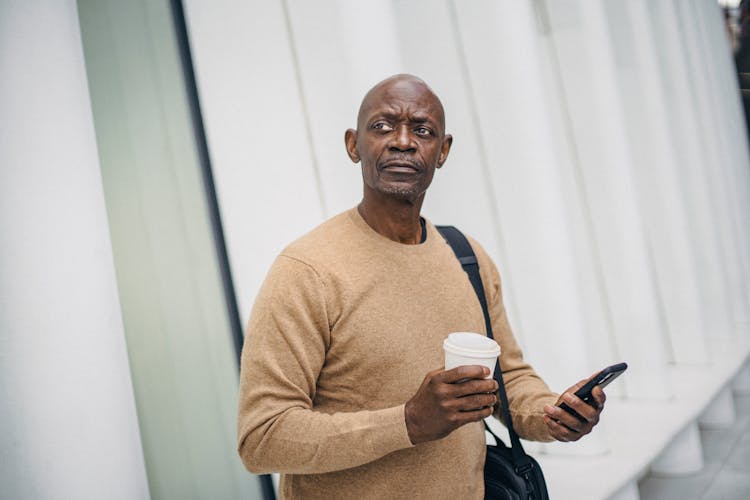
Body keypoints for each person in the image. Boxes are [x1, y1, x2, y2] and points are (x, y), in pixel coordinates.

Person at [237, 74, 606, 499]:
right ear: (353, 145)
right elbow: (262, 438)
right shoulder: (307, 270)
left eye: (422, 130)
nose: (403, 141)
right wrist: (409, 421)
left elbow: (508, 379)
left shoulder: (466, 256)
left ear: (443, 151)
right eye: (383, 126)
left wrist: (551, 414)